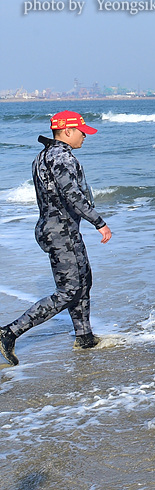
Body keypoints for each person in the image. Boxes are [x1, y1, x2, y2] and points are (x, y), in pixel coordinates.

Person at [1, 111, 112, 367]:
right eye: (81, 131)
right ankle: (8, 332)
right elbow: (73, 195)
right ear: (67, 131)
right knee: (70, 290)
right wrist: (100, 223)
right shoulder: (61, 158)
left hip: (57, 229)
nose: (85, 135)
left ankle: (84, 337)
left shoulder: (42, 156)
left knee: (83, 282)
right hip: (61, 231)